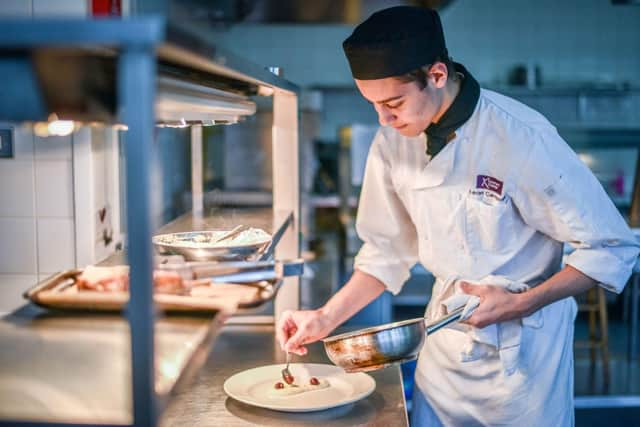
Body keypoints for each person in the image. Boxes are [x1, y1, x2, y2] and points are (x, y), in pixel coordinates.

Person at [276, 6, 640, 426]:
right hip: (444, 353)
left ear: (436, 75)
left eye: (393, 103)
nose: (384, 118)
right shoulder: (392, 141)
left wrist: (522, 303)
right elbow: (385, 254)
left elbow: (611, 246)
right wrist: (324, 317)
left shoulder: (520, 135)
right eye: (373, 105)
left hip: (522, 368)